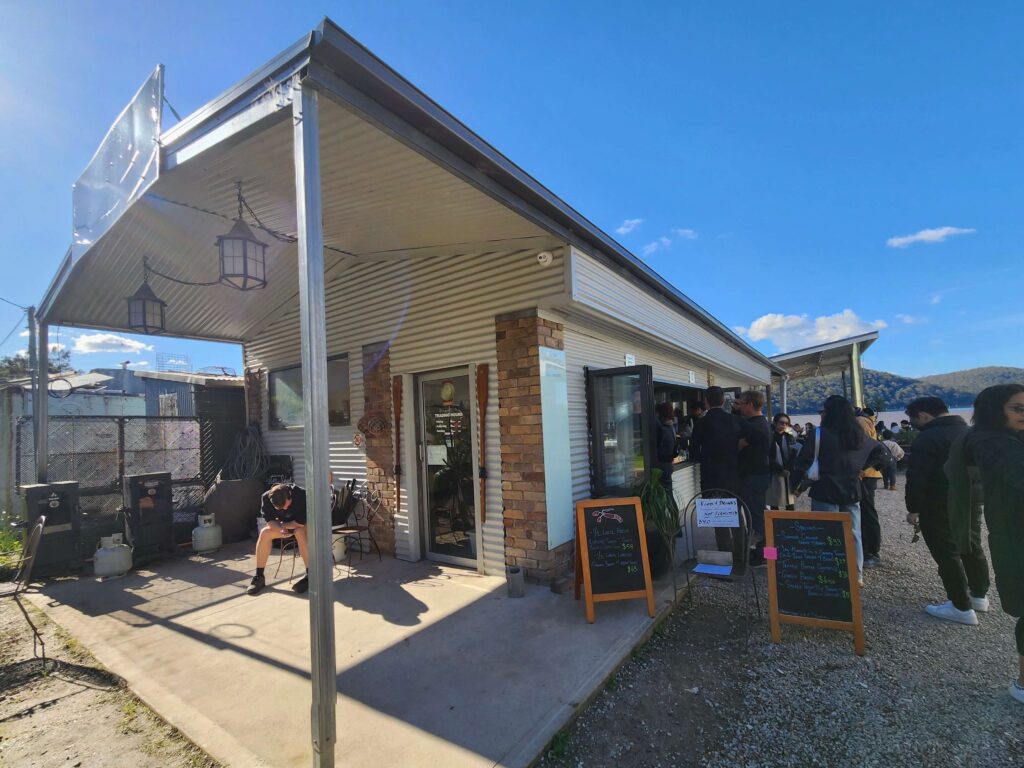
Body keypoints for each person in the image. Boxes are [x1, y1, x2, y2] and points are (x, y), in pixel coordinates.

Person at [955, 384, 1024, 704]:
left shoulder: (1001, 440)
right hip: (1013, 535)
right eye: (1017, 409)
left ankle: (970, 600)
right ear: (995, 411)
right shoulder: (994, 443)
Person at [904, 396, 988, 625]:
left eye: (913, 420)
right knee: (971, 544)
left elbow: (917, 478)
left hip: (939, 502)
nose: (914, 425)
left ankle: (960, 606)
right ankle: (979, 595)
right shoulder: (970, 432)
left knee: (947, 552)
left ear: (922, 415)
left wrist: (913, 508)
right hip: (972, 499)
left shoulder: (928, 438)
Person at [792, 395, 888, 584]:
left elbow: (802, 463)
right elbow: (883, 454)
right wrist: (862, 467)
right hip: (852, 489)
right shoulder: (858, 435)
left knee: (826, 532)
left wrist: (795, 487)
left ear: (828, 413)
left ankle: (829, 573)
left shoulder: (819, 434)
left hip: (825, 489)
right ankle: (856, 574)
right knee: (853, 533)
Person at [691, 386, 744, 560]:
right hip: (734, 474)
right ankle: (741, 555)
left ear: (706, 401)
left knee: (719, 518)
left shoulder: (701, 423)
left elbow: (694, 453)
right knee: (736, 515)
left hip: (711, 476)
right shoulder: (735, 421)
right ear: (723, 401)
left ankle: (725, 557)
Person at [248, 482, 311, 595]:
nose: (285, 508)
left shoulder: (301, 495)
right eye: (280, 508)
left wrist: (283, 525)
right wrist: (281, 529)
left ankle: (310, 574)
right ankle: (259, 576)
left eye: (286, 505)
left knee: (299, 532)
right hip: (284, 526)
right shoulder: (266, 498)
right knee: (264, 533)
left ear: (289, 494)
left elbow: (301, 522)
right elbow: (270, 521)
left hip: (302, 525)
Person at [737, 390, 771, 564]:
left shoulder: (755, 426)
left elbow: (740, 446)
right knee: (758, 513)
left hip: (754, 476)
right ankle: (765, 554)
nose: (739, 406)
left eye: (741, 403)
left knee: (756, 515)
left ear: (750, 404)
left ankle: (764, 555)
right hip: (759, 475)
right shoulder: (761, 423)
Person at [856, 407, 884, 568]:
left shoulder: (860, 422)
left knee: (866, 512)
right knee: (862, 511)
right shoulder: (864, 421)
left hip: (865, 474)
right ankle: (866, 549)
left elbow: (866, 447)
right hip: (865, 473)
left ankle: (872, 551)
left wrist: (860, 468)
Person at [767, 413, 798, 511]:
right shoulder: (770, 437)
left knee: (790, 502)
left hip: (788, 473)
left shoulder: (789, 437)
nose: (784, 425)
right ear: (775, 422)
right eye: (781, 422)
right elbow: (767, 456)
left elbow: (794, 454)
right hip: (774, 473)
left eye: (786, 423)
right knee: (774, 502)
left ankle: (791, 524)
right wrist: (779, 469)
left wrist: (789, 469)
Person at [653, 401, 678, 491]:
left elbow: (659, 446)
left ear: (659, 413)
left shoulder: (662, 428)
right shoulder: (671, 425)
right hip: (668, 463)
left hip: (662, 464)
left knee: (666, 493)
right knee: (668, 492)